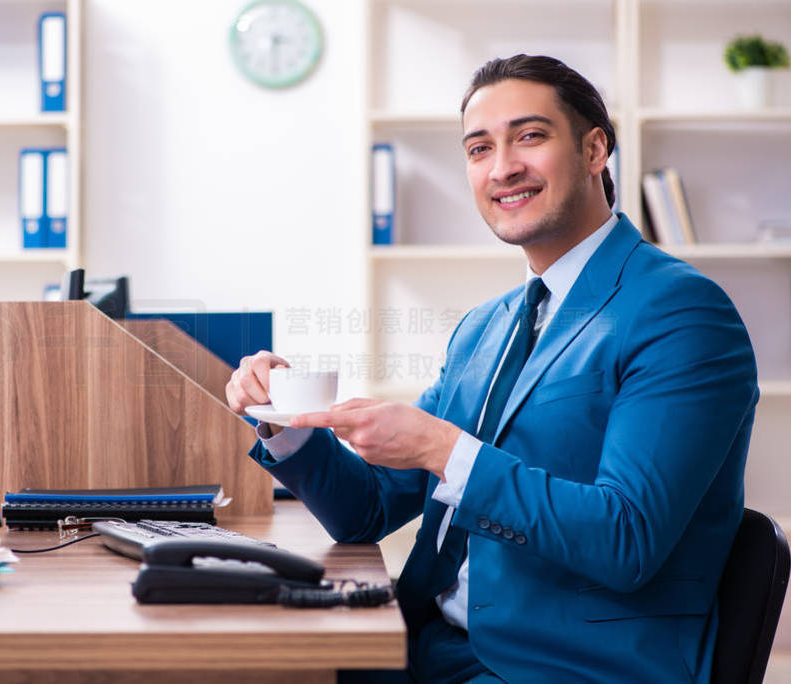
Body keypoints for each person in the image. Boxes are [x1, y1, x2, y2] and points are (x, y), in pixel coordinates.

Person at [225, 54, 758, 683]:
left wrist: (444, 449)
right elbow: (366, 511)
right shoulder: (487, 325)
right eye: (479, 149)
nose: (503, 167)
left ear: (594, 150)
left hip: (560, 668)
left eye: (530, 137)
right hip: (426, 640)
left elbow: (627, 540)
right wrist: (284, 422)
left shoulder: (680, 311)